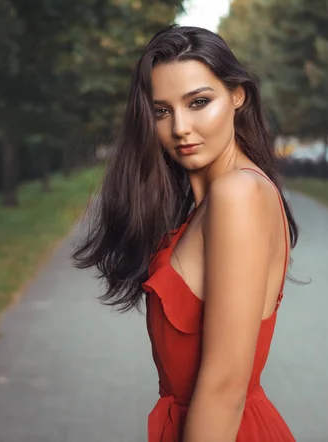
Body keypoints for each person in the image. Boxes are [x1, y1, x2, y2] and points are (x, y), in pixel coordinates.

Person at [73, 25, 298, 442]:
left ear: (237, 95)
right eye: (162, 111)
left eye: (199, 102)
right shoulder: (207, 203)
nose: (180, 128)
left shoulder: (238, 193)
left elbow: (224, 389)